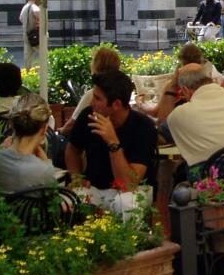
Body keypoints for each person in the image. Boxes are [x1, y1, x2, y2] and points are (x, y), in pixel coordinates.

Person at [65, 70, 157, 219]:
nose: (92, 103)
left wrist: (112, 142)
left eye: (97, 98)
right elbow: (72, 149)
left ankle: (131, 242)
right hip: (94, 189)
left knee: (127, 204)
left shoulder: (143, 127)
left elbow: (129, 184)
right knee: (67, 200)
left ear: (116, 104)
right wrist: (76, 177)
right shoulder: (88, 116)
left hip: (134, 191)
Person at [167, 63, 224, 173]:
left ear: (185, 90)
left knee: (178, 171)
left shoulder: (180, 114)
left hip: (209, 179)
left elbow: (164, 123)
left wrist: (169, 89)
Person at [0, 93, 57, 194]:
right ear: (44, 129)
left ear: (11, 124)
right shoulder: (42, 171)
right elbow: (54, 200)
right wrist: (46, 163)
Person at [62, 46, 123, 134]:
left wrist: (60, 132)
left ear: (96, 65)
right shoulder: (122, 91)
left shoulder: (94, 95)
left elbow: (72, 125)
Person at [19, 0, 40, 69]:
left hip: (26, 34)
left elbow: (20, 18)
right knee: (43, 52)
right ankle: (47, 69)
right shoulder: (33, 6)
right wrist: (39, 21)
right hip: (35, 34)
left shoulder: (24, 7)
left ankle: (28, 71)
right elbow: (37, 12)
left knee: (28, 54)